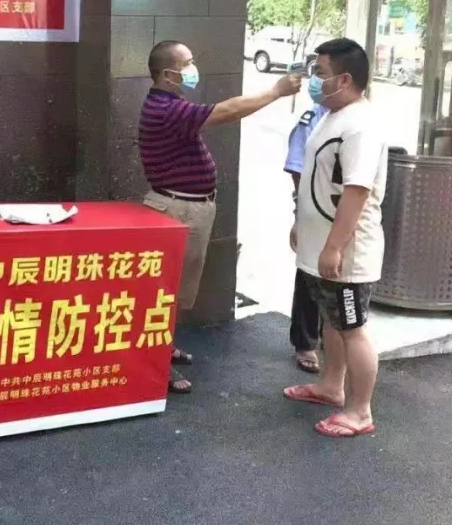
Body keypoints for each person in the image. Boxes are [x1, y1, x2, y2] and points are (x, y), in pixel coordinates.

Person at [139, 40, 301, 393]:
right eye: (187, 63)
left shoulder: (171, 104)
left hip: (186, 208)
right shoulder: (166, 109)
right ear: (168, 74)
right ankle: (156, 362)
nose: (193, 68)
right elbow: (226, 111)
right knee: (167, 294)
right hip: (178, 210)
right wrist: (275, 91)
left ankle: (163, 346)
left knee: (176, 292)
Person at [284, 38, 386, 438]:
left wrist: (334, 247)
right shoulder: (332, 116)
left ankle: (360, 411)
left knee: (352, 327)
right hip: (321, 246)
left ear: (344, 79)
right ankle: (331, 386)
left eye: (320, 72)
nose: (314, 79)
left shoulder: (361, 124)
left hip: (347, 253)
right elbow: (317, 180)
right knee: (333, 320)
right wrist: (301, 222)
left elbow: (356, 191)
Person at [284, 101, 328, 373]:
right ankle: (306, 341)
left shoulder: (358, 115)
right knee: (310, 275)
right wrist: (300, 215)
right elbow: (297, 169)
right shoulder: (313, 118)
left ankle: (330, 338)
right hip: (315, 210)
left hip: (345, 211)